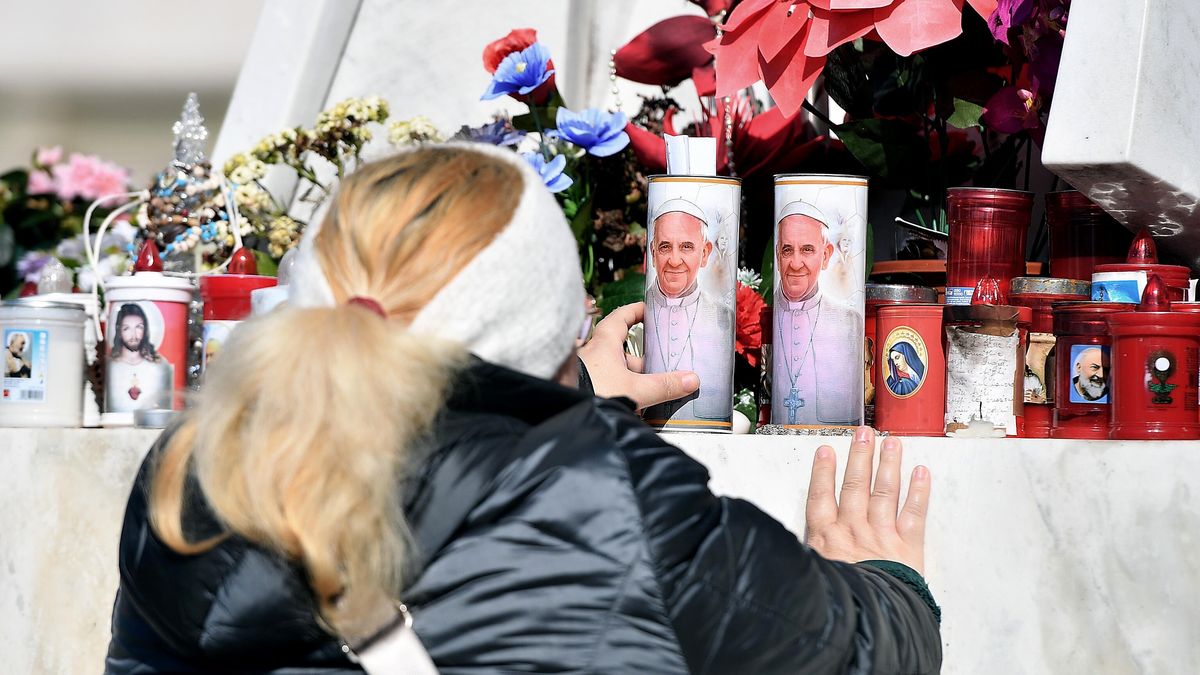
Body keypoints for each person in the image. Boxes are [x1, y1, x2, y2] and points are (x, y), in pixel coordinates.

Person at [106, 144, 941, 673]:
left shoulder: (189, 473)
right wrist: (891, 584)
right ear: (550, 327)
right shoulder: (618, 501)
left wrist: (566, 398)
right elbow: (855, 654)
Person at [642, 198, 734, 426]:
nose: (674, 260)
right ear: (653, 251)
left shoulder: (723, 316)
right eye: (665, 247)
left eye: (686, 247)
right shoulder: (639, 312)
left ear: (704, 253)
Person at [773, 201, 863, 425]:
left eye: (807, 250)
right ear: (777, 255)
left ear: (825, 255)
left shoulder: (847, 322)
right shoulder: (766, 316)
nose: (795, 264)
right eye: (787, 250)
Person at [105, 302, 173, 412]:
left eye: (139, 327)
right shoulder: (109, 365)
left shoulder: (159, 367)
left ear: (145, 330)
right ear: (119, 331)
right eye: (126, 328)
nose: (134, 335)